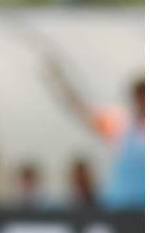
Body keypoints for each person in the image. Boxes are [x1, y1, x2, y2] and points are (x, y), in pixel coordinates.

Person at [42, 54, 144, 209]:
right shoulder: (122, 125)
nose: (142, 101)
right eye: (139, 95)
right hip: (121, 206)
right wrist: (61, 82)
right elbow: (83, 110)